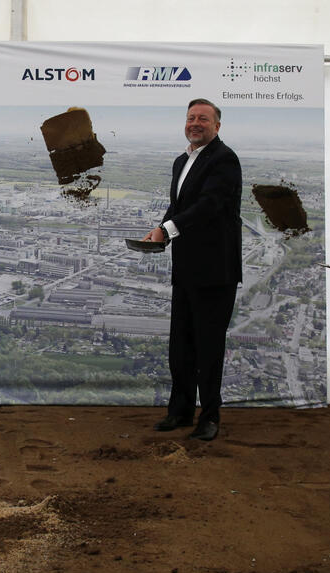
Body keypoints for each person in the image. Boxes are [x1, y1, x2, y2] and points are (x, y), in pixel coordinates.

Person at [142, 98, 242, 442]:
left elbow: (209, 206)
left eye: (203, 118)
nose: (195, 123)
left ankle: (210, 416)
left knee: (209, 347)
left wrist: (167, 230)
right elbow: (178, 205)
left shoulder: (225, 160)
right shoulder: (181, 161)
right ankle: (180, 411)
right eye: (190, 118)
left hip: (215, 271)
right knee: (181, 345)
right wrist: (160, 231)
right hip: (185, 267)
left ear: (217, 125)